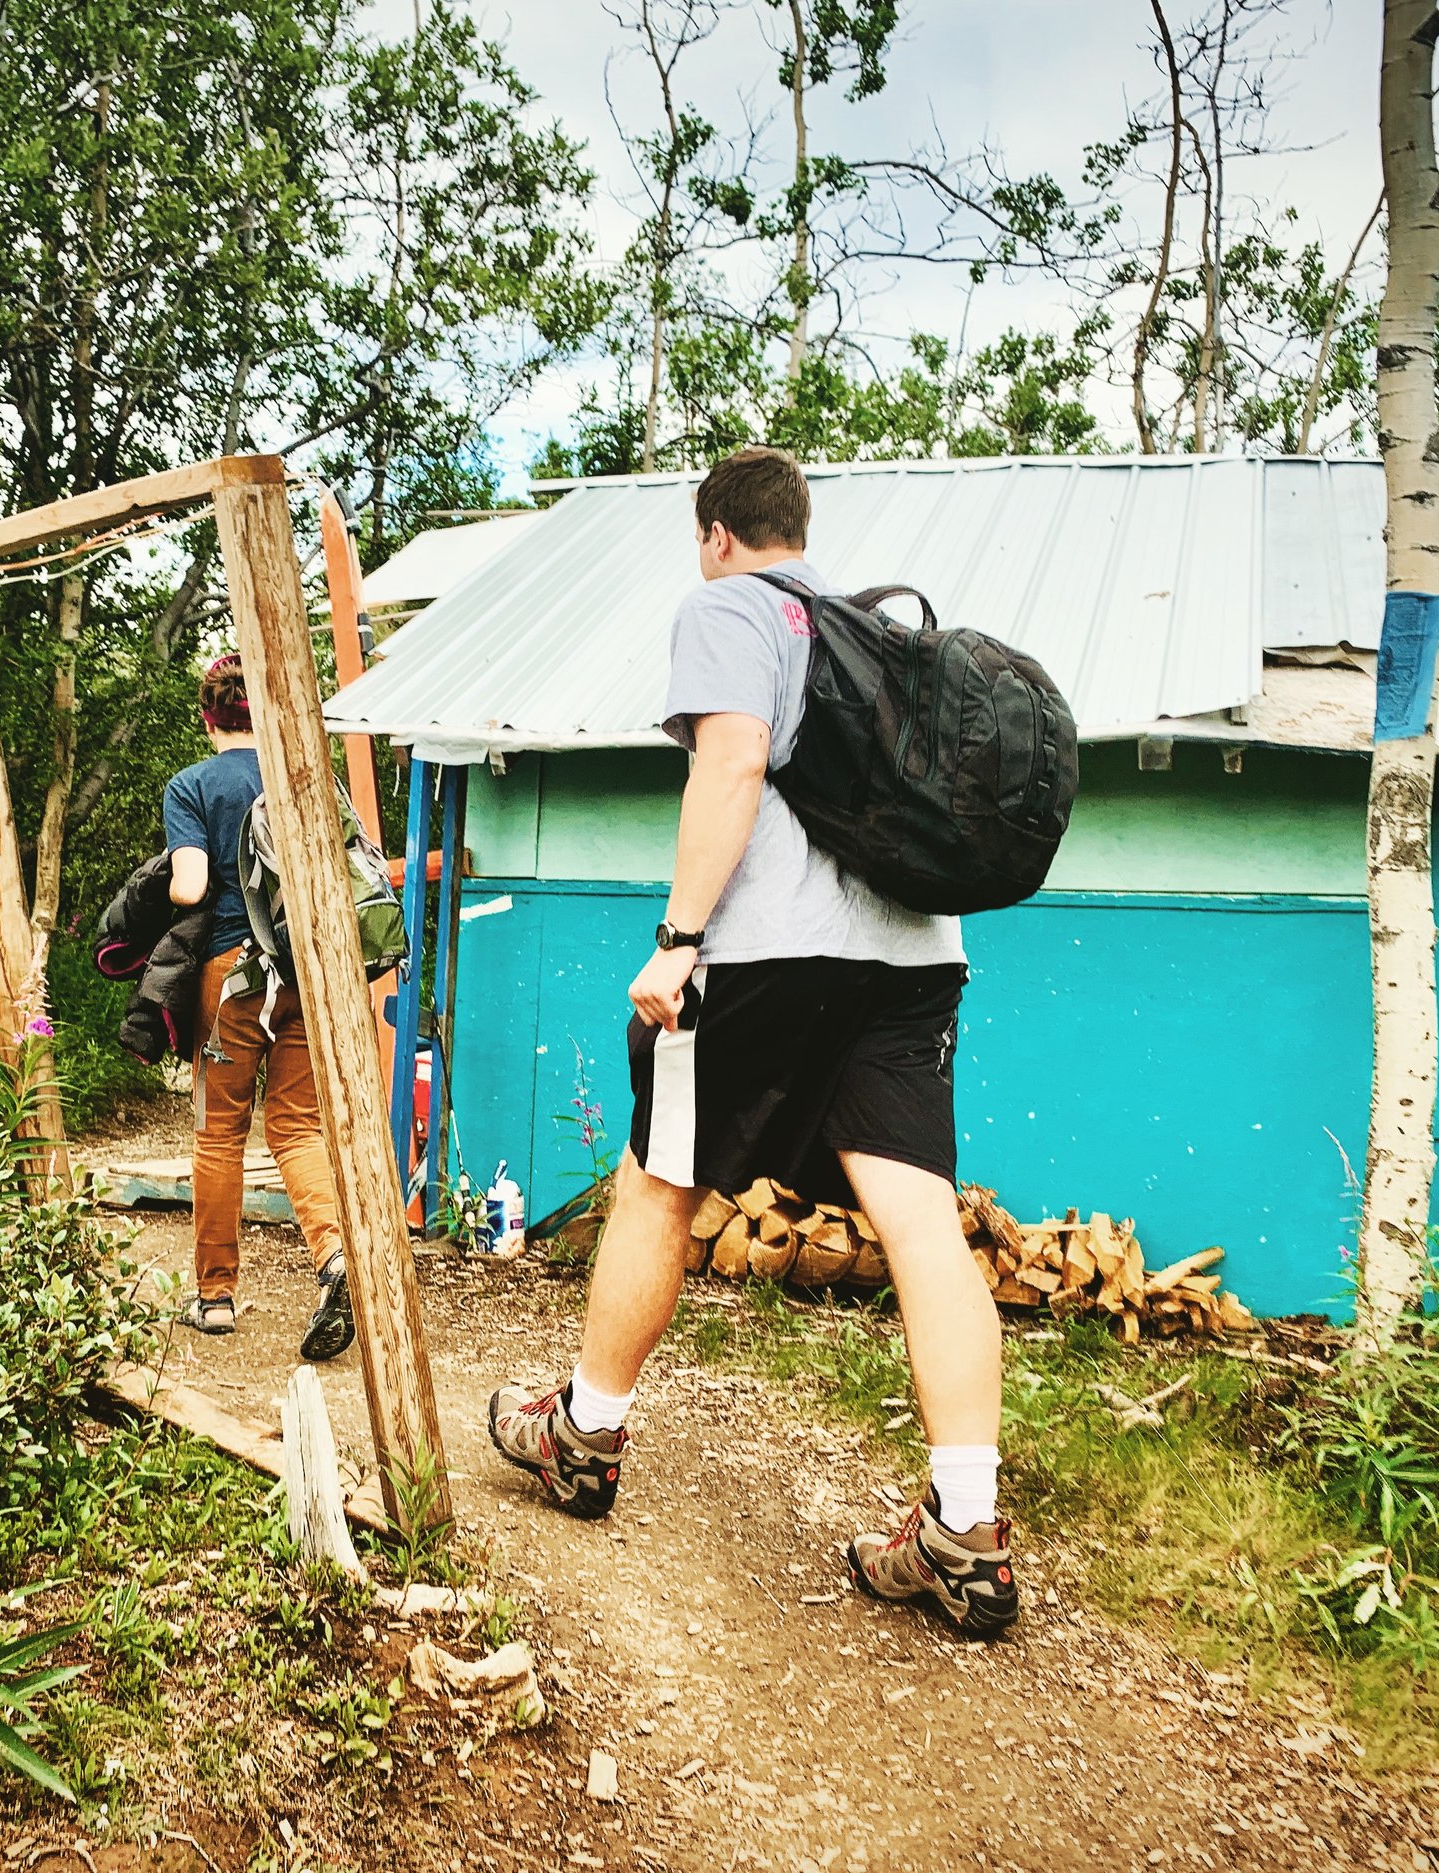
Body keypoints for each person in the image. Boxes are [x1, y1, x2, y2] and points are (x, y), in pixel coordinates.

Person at [487, 447, 1016, 1637]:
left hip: (768, 954)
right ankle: (964, 1532)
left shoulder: (734, 605)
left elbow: (728, 761)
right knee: (925, 1225)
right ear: (803, 526)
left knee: (659, 1181)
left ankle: (585, 1436)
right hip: (919, 958)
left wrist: (677, 939)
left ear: (715, 531)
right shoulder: (881, 636)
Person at [164, 653, 355, 1362]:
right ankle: (336, 1261)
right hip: (302, 970)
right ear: (263, 712)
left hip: (230, 973)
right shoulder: (302, 781)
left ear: (209, 714)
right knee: (297, 1127)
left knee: (219, 1132)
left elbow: (190, 885)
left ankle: (214, 1297)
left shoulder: (191, 786)